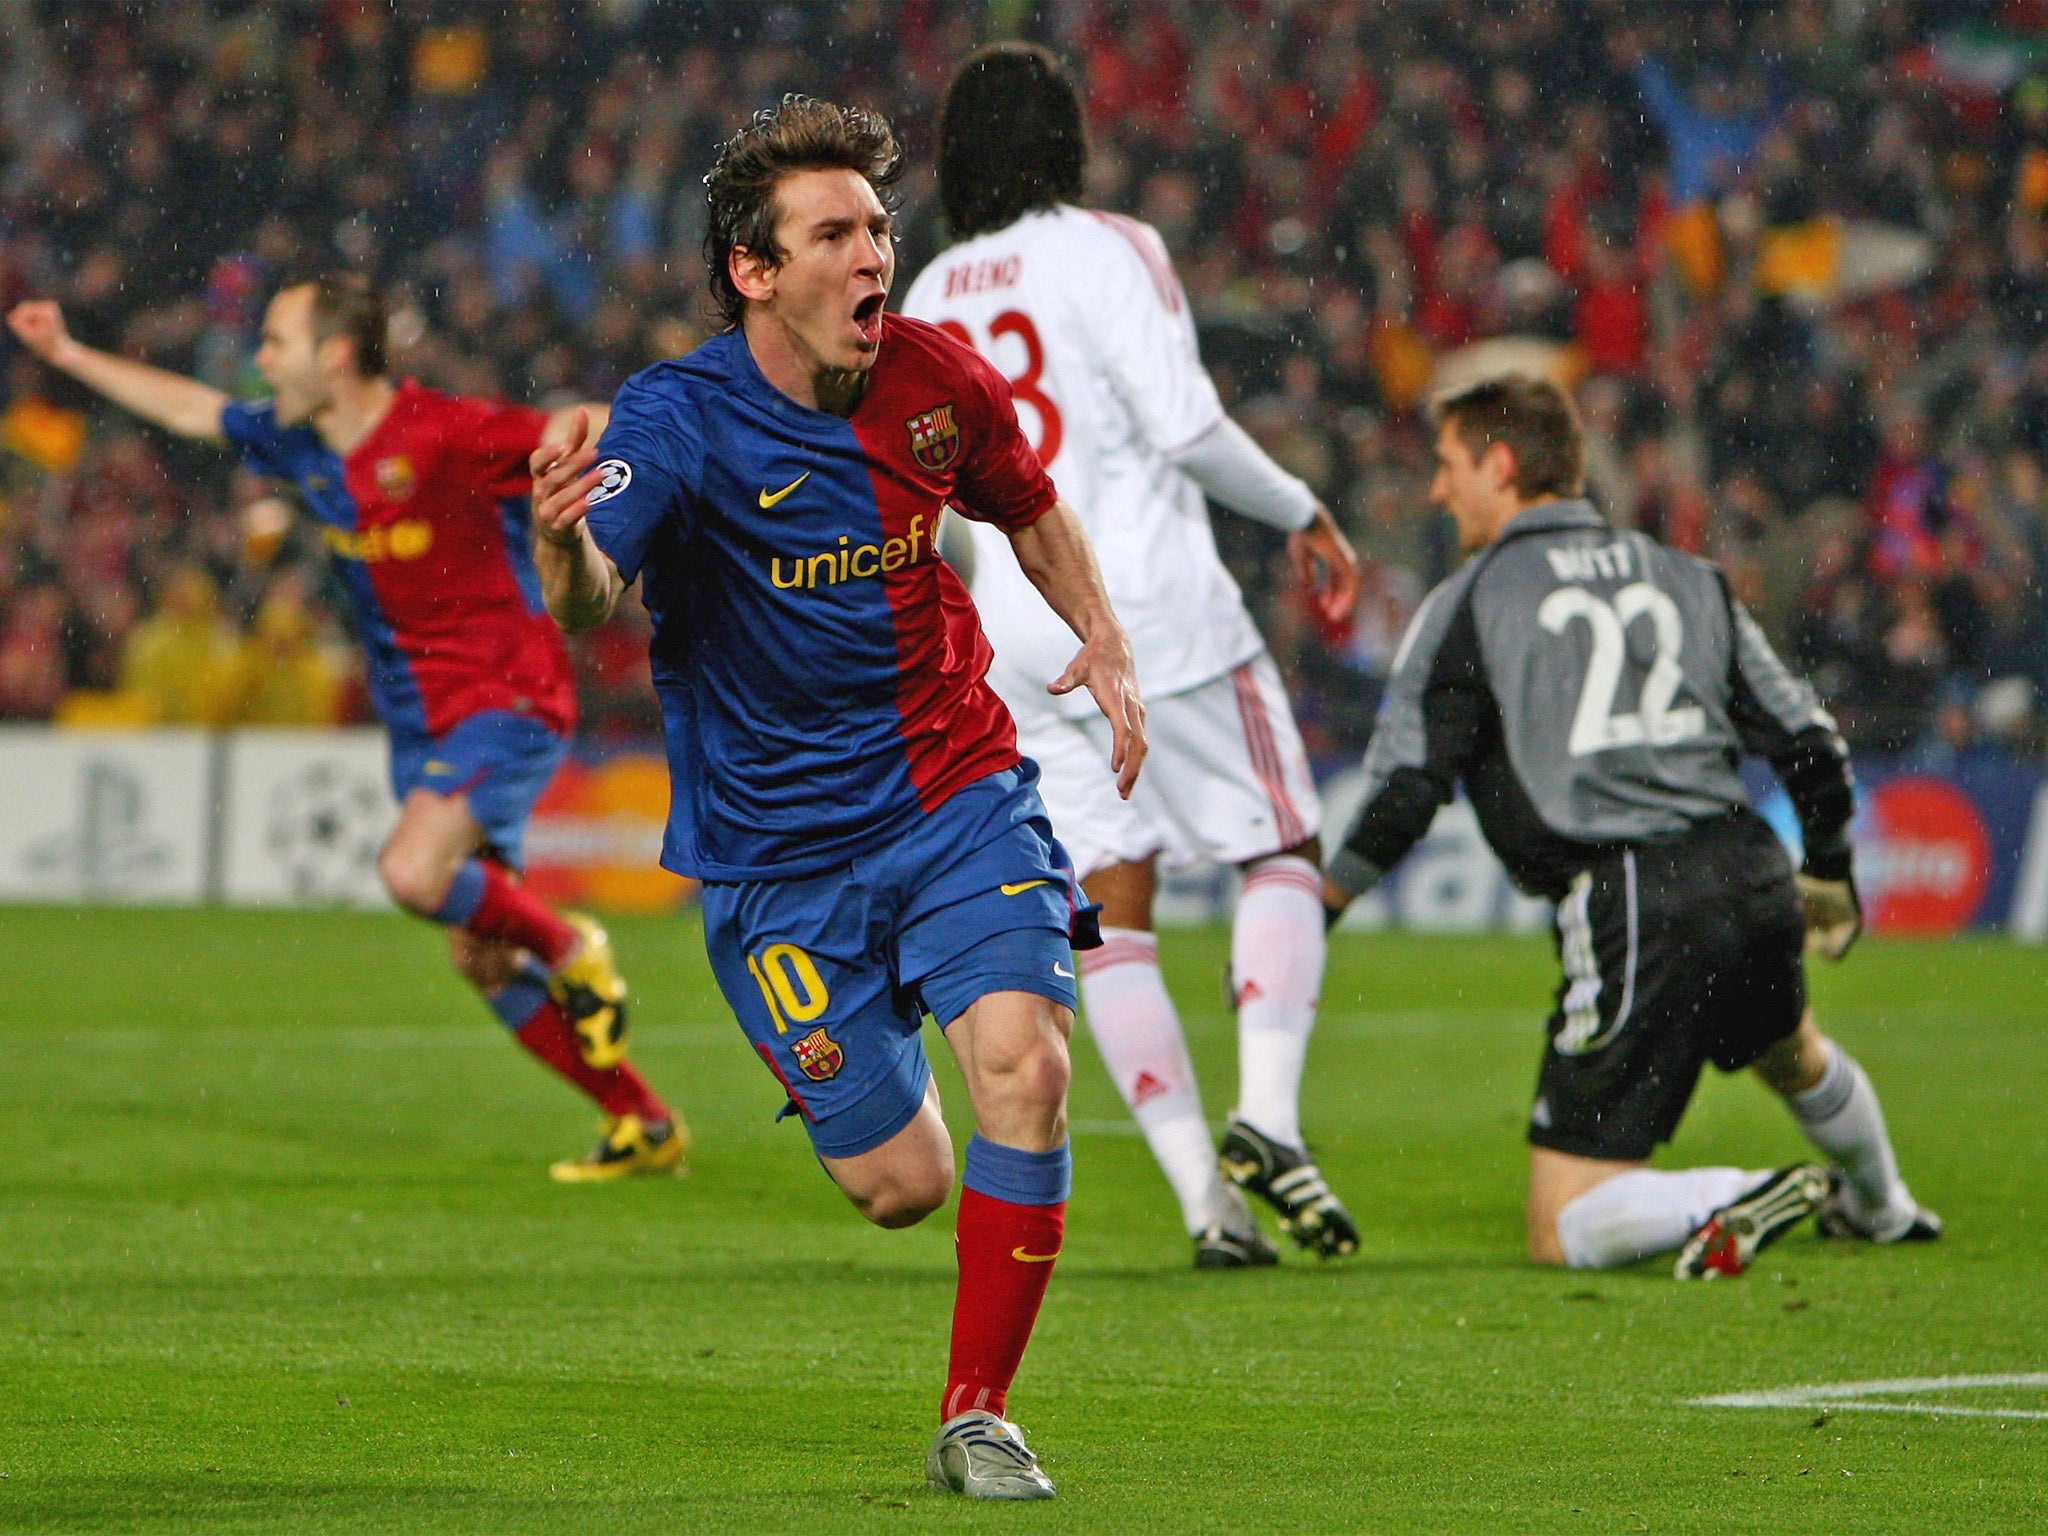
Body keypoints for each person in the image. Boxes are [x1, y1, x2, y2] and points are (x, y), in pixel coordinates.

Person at [531, 95, 1145, 1501]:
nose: (874, 255)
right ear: (755, 271)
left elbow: (1028, 504)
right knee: (901, 1188)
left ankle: (980, 1411)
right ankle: (873, 1072)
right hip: (776, 861)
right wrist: (556, 544)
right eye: (835, 234)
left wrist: (1101, 636)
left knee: (1029, 1063)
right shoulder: (676, 420)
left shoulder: (936, 379)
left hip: (954, 792)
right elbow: (587, 600)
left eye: (877, 226)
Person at [8, 281, 686, 1183]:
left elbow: (582, 421)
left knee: (413, 872)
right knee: (480, 954)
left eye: (277, 340)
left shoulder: (444, 433)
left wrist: (683, 416)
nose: (263, 358)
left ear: (335, 356)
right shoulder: (302, 442)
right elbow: (191, 406)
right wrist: (69, 357)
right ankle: (642, 1121)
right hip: (420, 723)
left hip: (506, 698)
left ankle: (571, 946)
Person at [902, 44, 1364, 1268]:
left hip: (1018, 633)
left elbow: (933, 508)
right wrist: (1297, 507)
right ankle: (1264, 1115)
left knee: (1111, 910)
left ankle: (1203, 1202)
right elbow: (1185, 426)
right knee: (1279, 846)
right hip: (1152, 606)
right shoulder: (1109, 246)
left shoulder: (930, 292)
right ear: (1065, 141)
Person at [1324, 374, 1941, 1278]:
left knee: (1562, 1224)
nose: (1436, 488)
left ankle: (1743, 1191)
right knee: (1790, 1051)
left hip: (1631, 895)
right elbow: (1809, 739)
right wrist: (1831, 865)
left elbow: (1411, 785)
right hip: (1749, 864)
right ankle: (1885, 1206)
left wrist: (1322, 899)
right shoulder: (1687, 577)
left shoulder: (1471, 599)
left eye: (1449, 464)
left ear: (1501, 465)